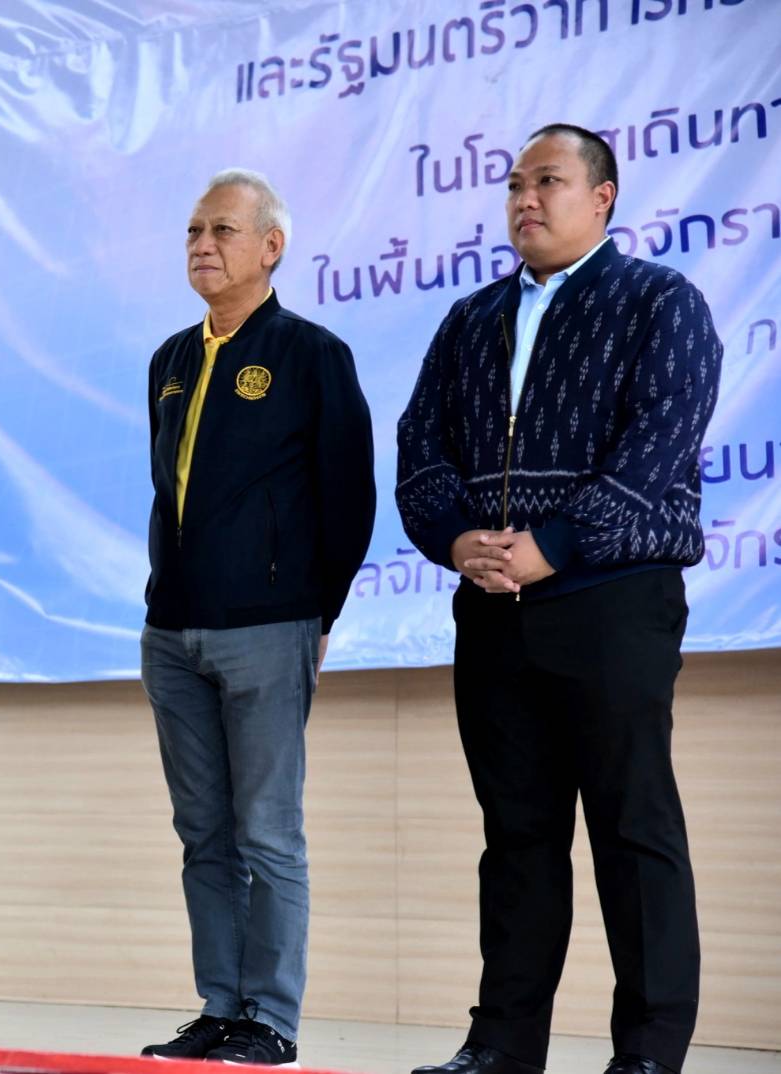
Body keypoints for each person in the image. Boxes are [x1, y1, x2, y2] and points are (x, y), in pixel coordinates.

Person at [396, 124, 720, 1074]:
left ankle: (648, 1052)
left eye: (547, 181)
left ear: (602, 197)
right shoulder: (470, 318)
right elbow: (419, 447)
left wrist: (555, 545)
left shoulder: (659, 300)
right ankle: (500, 1046)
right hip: (492, 608)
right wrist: (455, 539)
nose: (524, 200)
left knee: (631, 826)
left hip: (612, 601)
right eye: (512, 185)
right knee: (517, 836)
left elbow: (659, 443)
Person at [139, 169, 376, 1064]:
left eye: (223, 231)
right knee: (202, 834)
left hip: (269, 628)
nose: (202, 245)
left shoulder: (312, 353)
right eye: (193, 231)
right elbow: (168, 490)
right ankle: (220, 1006)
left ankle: (270, 1020)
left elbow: (348, 496)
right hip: (171, 631)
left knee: (267, 832)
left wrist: (316, 613)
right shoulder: (168, 361)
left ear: (271, 247)